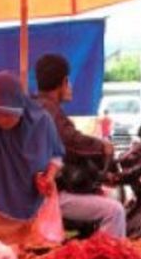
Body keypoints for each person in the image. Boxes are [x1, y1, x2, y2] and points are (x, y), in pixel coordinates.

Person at [33, 53, 127, 238]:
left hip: (42, 190)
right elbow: (70, 141)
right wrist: (102, 146)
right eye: (69, 82)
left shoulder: (37, 106)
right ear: (64, 81)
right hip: (48, 196)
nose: (70, 87)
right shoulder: (48, 110)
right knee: (115, 211)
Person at [0, 71, 63, 232]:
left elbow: (55, 156)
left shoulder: (42, 122)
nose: (2, 119)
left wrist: (48, 176)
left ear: (20, 105)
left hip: (40, 216)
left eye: (9, 113)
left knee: (40, 255)